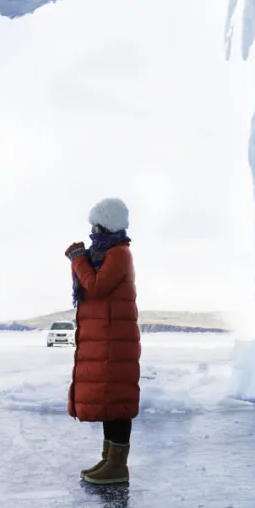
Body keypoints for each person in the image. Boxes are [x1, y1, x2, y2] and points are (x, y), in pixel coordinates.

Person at [65, 198, 140, 485]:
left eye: (95, 224)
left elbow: (95, 287)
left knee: (117, 401)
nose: (92, 230)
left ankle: (118, 467)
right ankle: (109, 460)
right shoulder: (105, 253)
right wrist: (82, 261)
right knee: (110, 400)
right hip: (107, 340)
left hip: (114, 344)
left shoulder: (119, 254)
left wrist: (78, 260)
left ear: (106, 224)